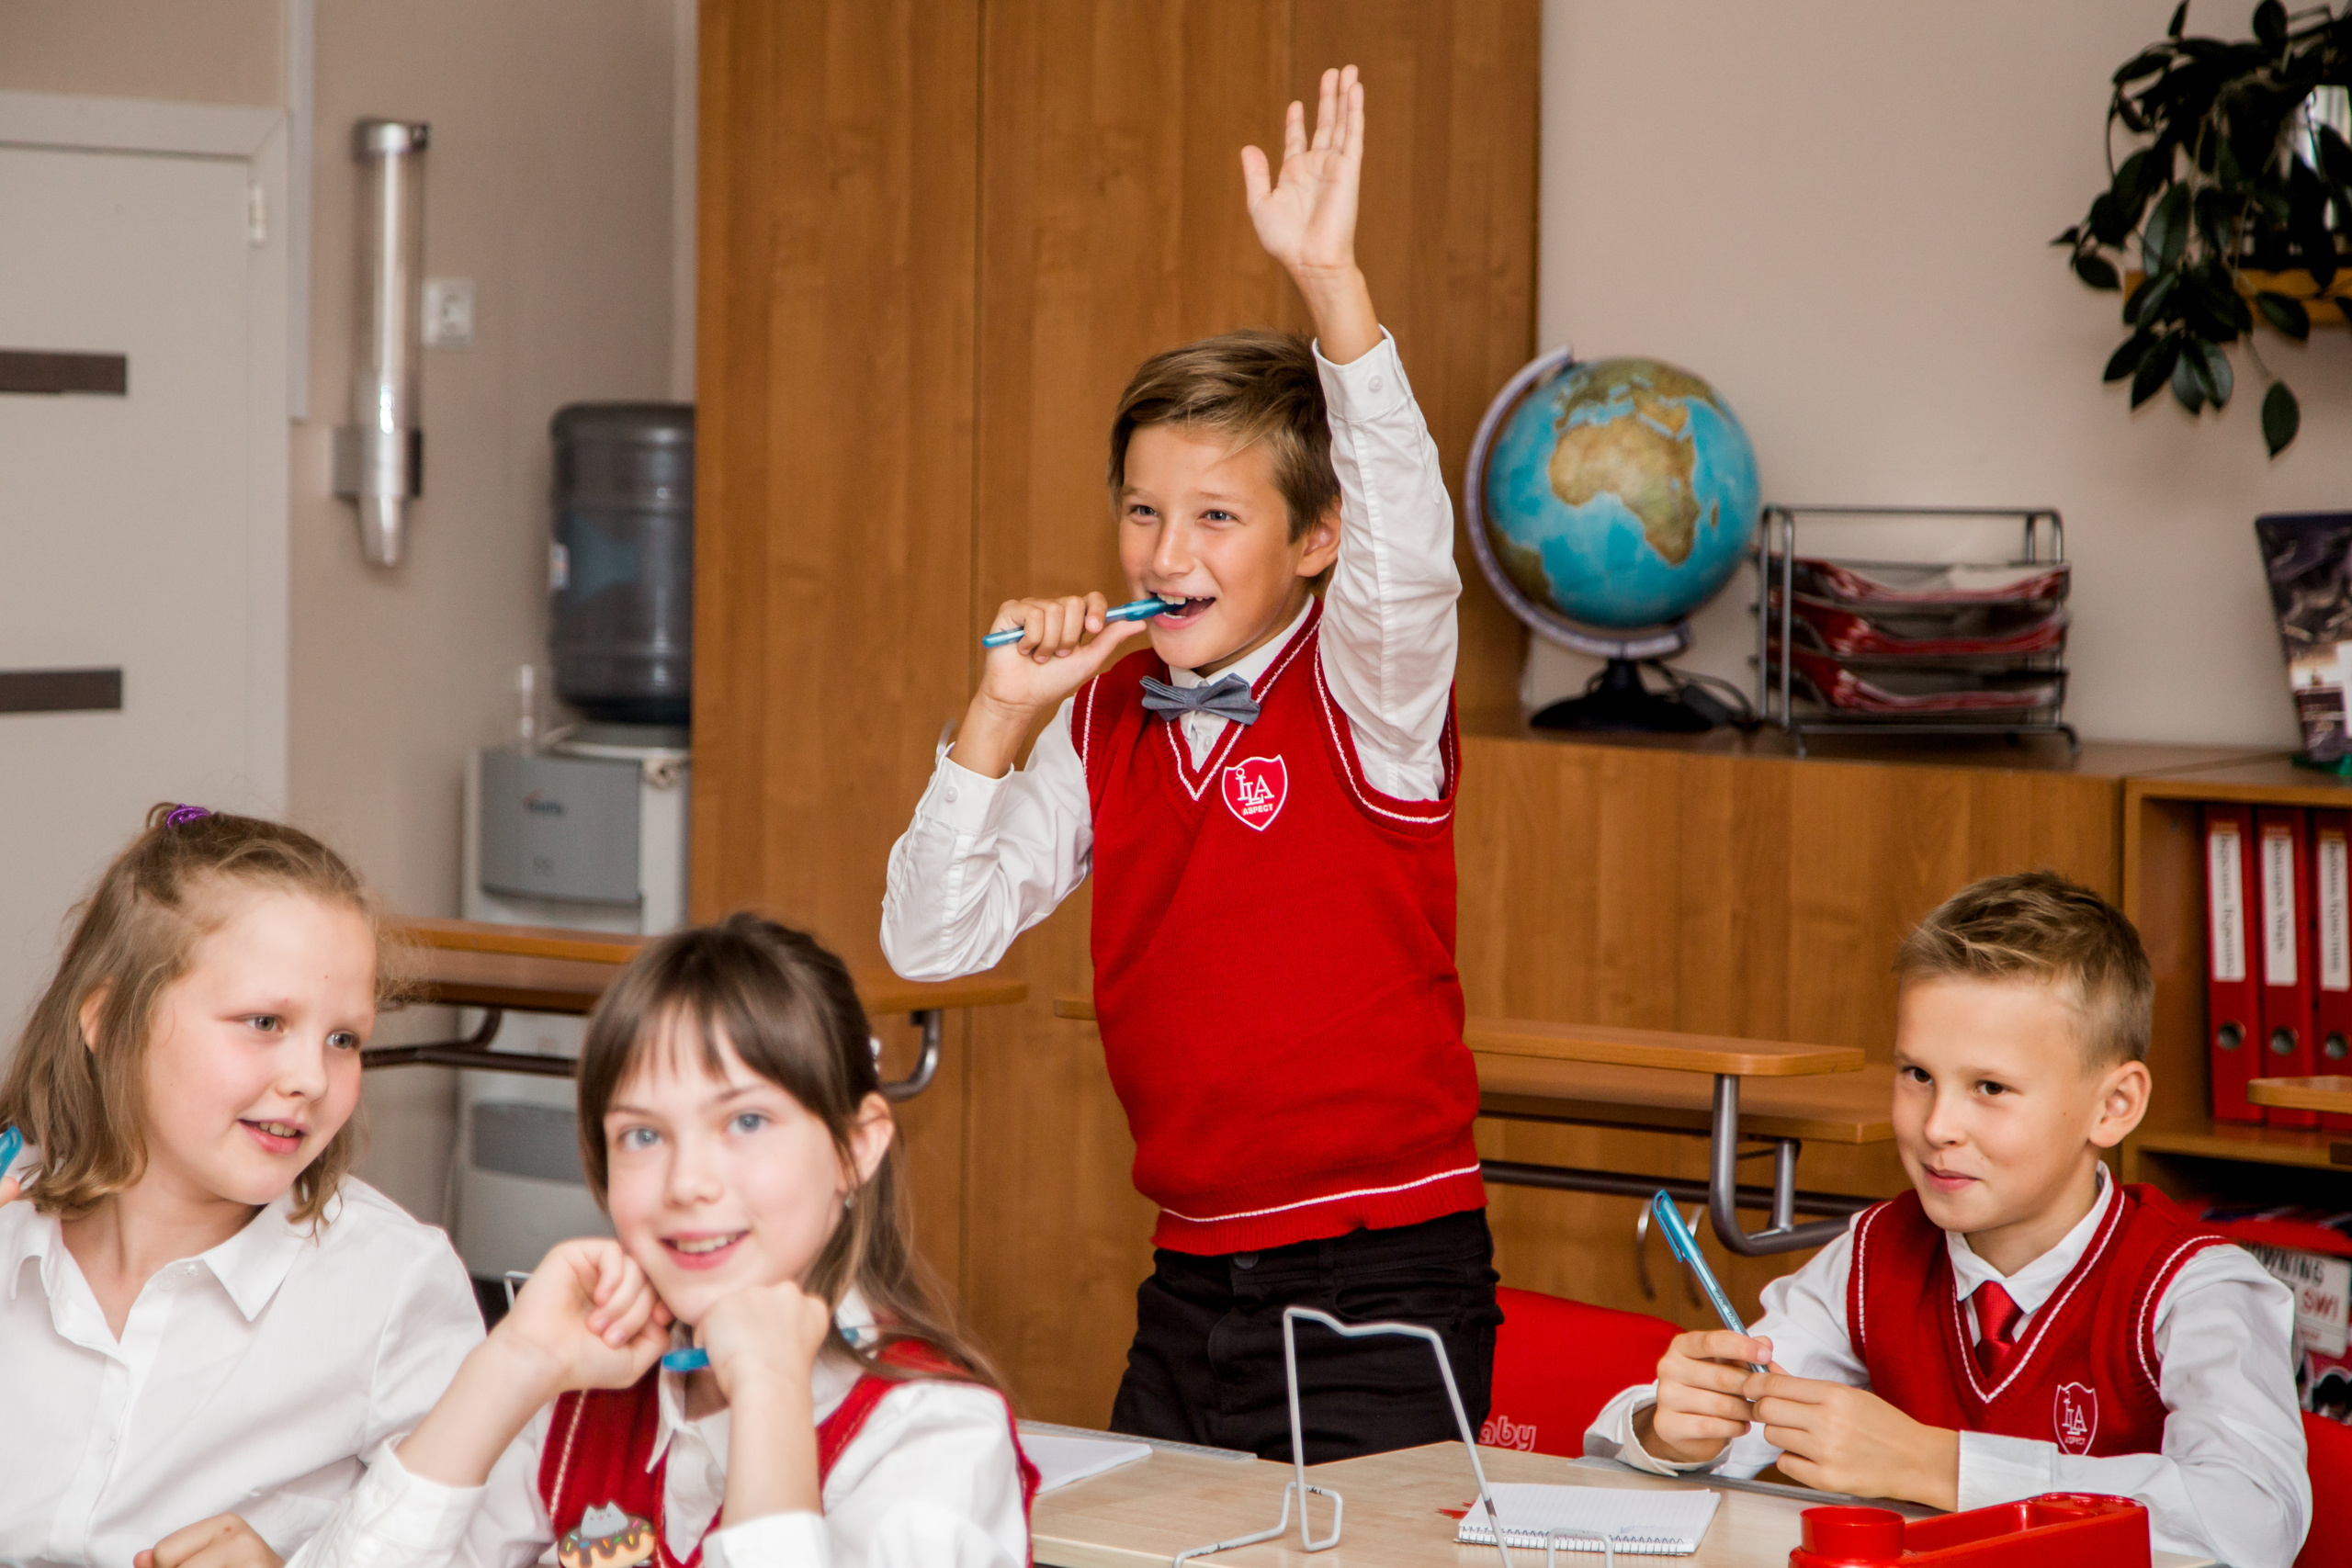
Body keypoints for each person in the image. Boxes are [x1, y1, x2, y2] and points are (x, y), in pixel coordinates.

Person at [881, 65, 1497, 1463]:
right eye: (1146, 510)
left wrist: (1333, 288)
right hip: (1189, 1280)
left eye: (1221, 514)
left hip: (1386, 1276)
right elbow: (931, 937)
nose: (1169, 554)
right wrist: (997, 719)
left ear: (1313, 540)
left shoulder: (1369, 687)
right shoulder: (1103, 718)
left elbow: (1407, 541)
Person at [1586, 872, 2311, 1567]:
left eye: (1989, 1086)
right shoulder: (1874, 1253)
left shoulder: (2197, 1289)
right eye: (1917, 1074)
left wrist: (1936, 1464)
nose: (1938, 1125)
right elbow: (1662, 1435)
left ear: (2113, 1106)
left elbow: (2253, 1520)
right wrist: (1672, 1430)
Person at [291, 914, 1035, 1568]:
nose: (688, 1182)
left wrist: (773, 1393)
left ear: (856, 1146)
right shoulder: (581, 1400)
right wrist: (515, 1362)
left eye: (746, 1121)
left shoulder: (933, 1434)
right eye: (643, 1134)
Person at [0, 804, 482, 1568]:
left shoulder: (392, 1285)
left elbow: (484, 1546)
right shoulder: (10, 1230)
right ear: (107, 1018)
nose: (309, 1077)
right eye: (264, 1021)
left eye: (344, 1039)